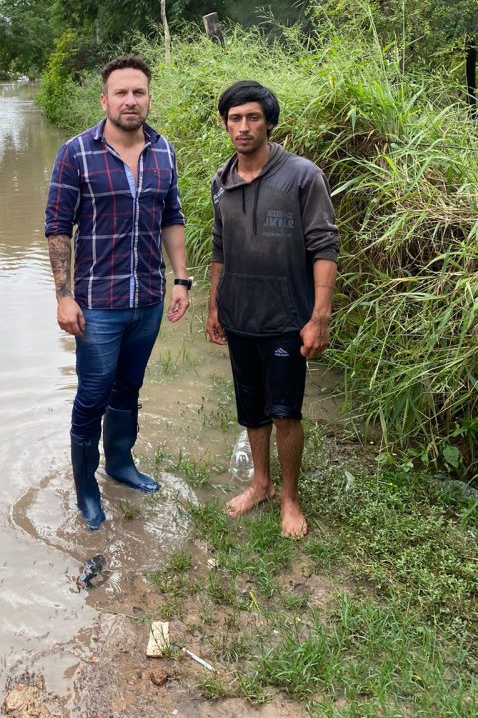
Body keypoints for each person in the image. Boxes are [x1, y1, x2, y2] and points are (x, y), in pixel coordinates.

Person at [45, 55, 191, 530]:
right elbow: (57, 227)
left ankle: (121, 464)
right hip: (97, 304)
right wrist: (63, 296)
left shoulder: (163, 150)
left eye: (139, 92)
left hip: (147, 298)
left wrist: (181, 280)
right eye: (121, 93)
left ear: (150, 97)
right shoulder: (76, 152)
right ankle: (87, 487)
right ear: (105, 99)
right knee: (92, 394)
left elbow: (172, 217)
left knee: (129, 388)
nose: (131, 101)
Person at [206, 81, 338, 538]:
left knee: (285, 411)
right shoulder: (221, 182)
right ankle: (260, 485)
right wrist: (214, 306)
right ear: (226, 125)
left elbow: (325, 245)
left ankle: (290, 499)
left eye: (253, 118)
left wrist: (318, 317)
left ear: (269, 123)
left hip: (286, 317)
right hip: (240, 316)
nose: (243, 127)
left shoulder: (302, 176)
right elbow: (219, 247)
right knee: (253, 409)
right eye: (235, 119)